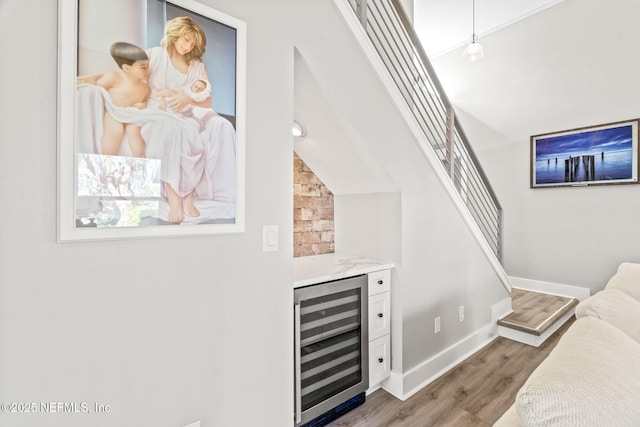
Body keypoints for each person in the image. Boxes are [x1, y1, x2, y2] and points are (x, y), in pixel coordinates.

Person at [144, 16, 237, 223]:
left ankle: (189, 194)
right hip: (159, 111)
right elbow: (140, 84)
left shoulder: (196, 66)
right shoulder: (155, 55)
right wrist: (157, 98)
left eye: (192, 44)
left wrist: (188, 97)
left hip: (186, 113)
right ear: (174, 35)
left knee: (197, 131)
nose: (188, 46)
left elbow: (207, 100)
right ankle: (176, 197)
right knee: (172, 130)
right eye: (185, 40)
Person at [77, 42, 150, 158]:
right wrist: (91, 78)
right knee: (115, 130)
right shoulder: (115, 77)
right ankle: (107, 160)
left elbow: (146, 100)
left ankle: (139, 161)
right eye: (143, 67)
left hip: (132, 114)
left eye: (148, 66)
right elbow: (98, 87)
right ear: (127, 68)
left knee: (134, 131)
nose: (148, 71)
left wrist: (142, 105)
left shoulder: (145, 86)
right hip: (114, 112)